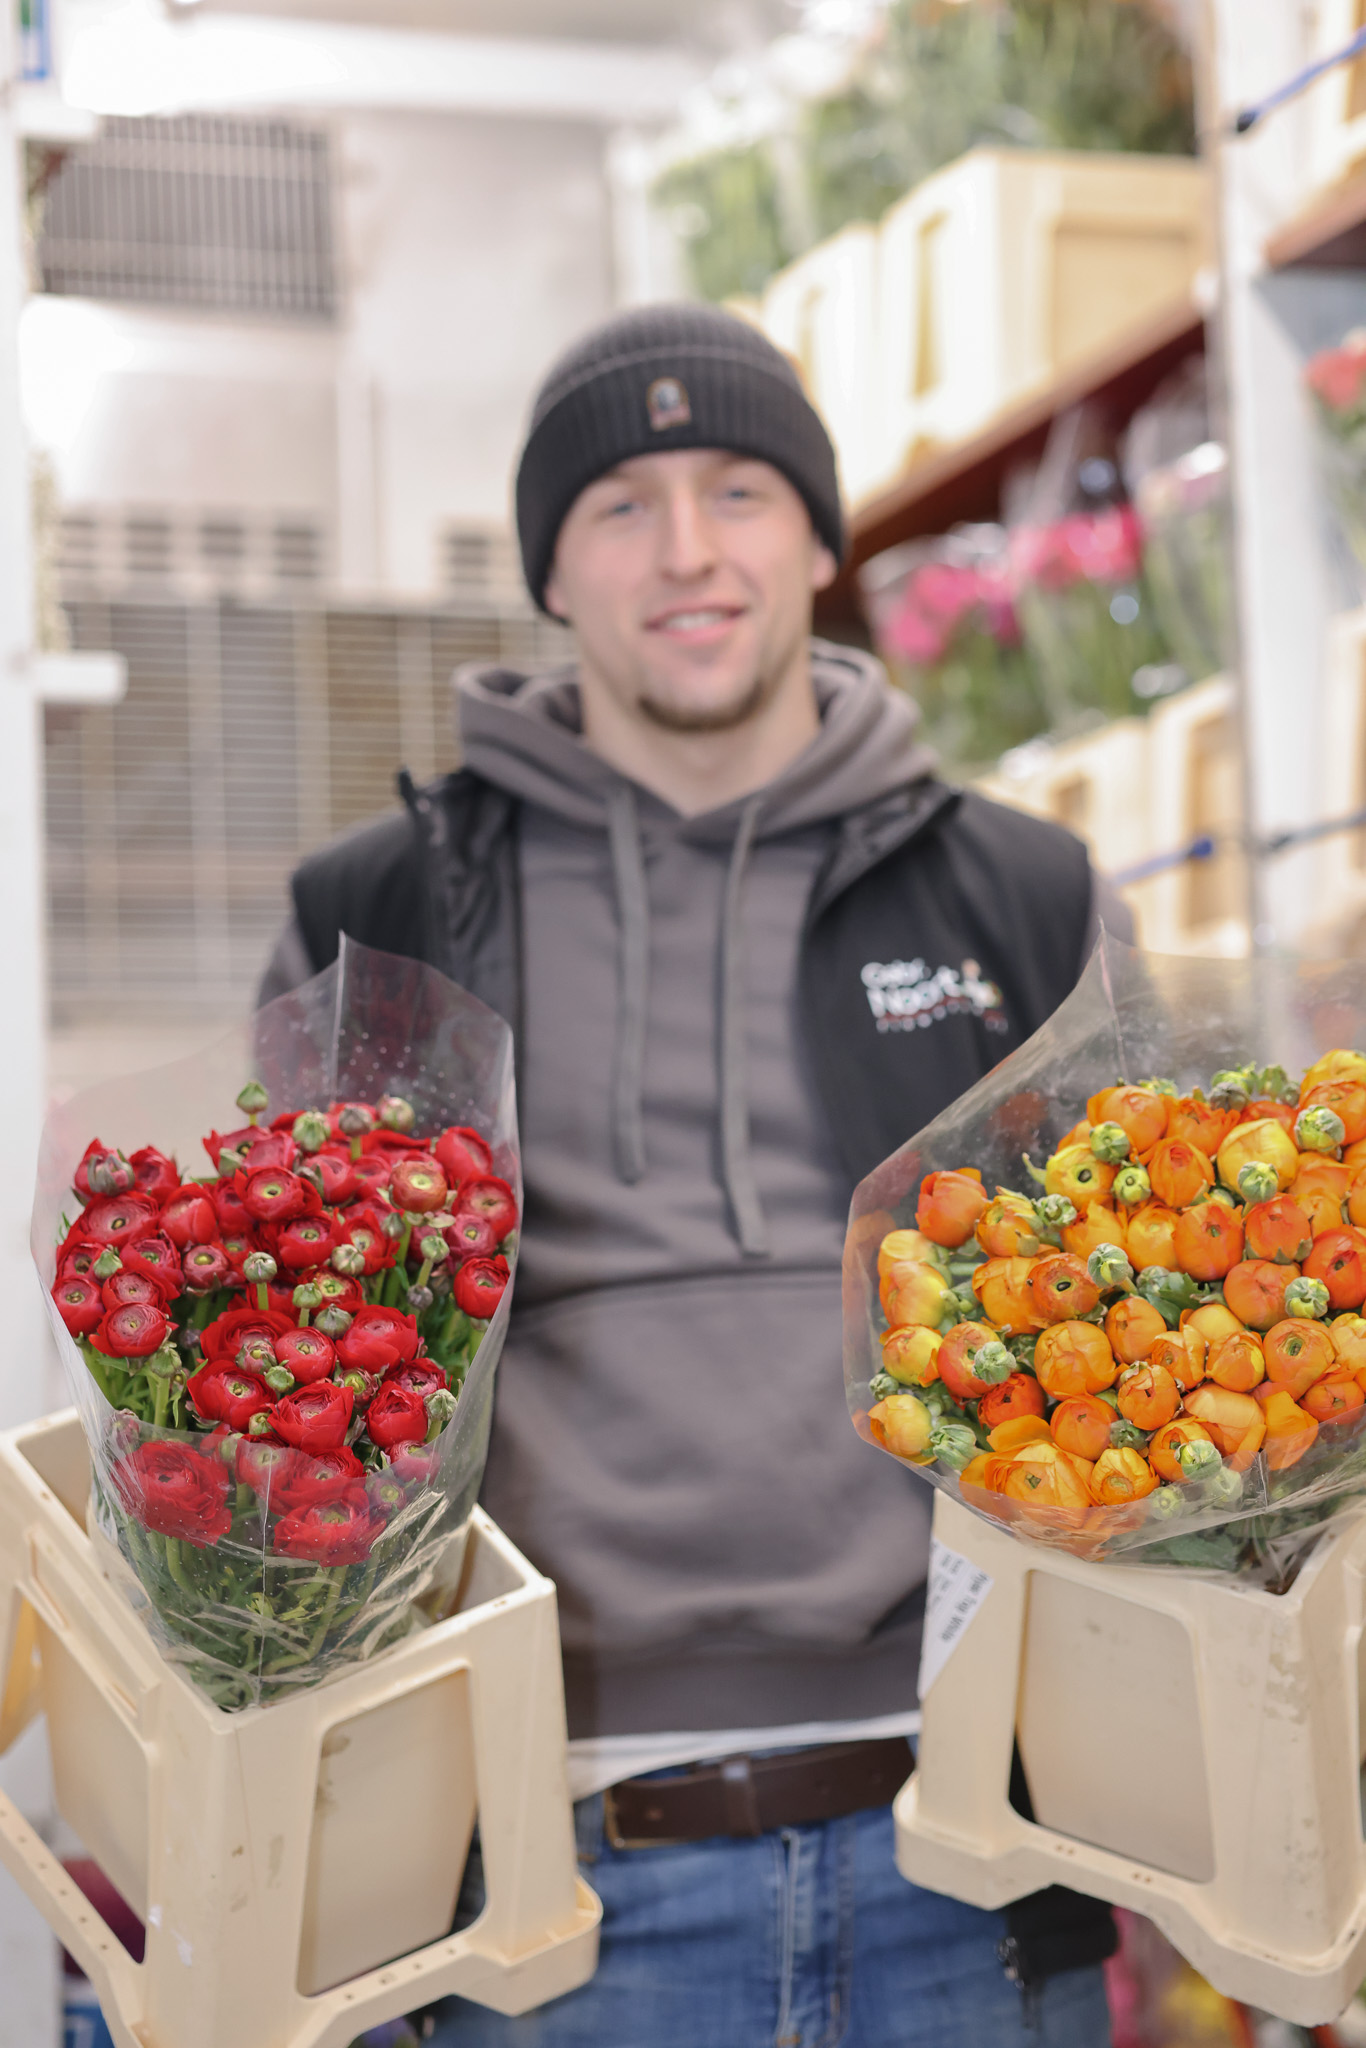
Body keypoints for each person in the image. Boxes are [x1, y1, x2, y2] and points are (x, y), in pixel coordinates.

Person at [262, 303, 1125, 2047]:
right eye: (619, 506)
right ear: (549, 572)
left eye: (738, 491)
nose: (686, 552)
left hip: (970, 1848)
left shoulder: (1019, 894)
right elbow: (289, 1395)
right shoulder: (380, 916)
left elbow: (1153, 1345)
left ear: (817, 540)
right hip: (548, 1886)